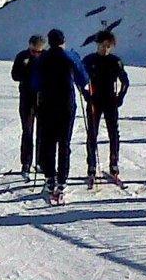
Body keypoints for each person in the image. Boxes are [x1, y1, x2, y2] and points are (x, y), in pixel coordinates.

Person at [32, 28, 90, 204]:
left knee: (48, 141)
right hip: (66, 104)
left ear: (49, 42)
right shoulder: (70, 56)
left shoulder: (43, 58)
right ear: (63, 41)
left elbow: (35, 82)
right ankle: (62, 181)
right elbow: (83, 79)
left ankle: (50, 178)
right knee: (64, 142)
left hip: (47, 104)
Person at [82, 30, 130, 186]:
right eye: (103, 46)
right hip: (94, 101)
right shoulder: (89, 60)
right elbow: (79, 79)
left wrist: (120, 97)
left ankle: (114, 164)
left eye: (109, 46)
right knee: (92, 133)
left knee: (113, 133)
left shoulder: (115, 61)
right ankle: (91, 166)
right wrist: (85, 94)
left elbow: (125, 82)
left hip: (110, 101)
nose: (105, 49)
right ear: (98, 44)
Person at [10, 34, 46, 180]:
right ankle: (26, 162)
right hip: (27, 99)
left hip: (43, 99)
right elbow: (14, 75)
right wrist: (24, 68)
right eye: (34, 51)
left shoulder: (46, 57)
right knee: (27, 131)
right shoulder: (22, 56)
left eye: (39, 51)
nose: (36, 54)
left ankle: (41, 162)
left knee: (42, 133)